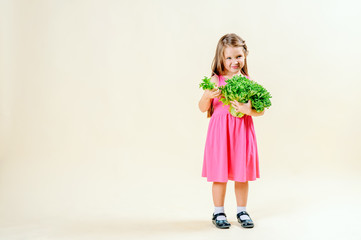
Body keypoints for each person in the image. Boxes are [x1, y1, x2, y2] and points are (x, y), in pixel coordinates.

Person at [198, 33, 265, 229]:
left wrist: (248, 110)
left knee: (241, 174)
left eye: (239, 57)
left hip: (241, 133)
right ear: (221, 58)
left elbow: (259, 111)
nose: (234, 61)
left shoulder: (247, 80)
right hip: (220, 134)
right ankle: (218, 211)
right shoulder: (214, 80)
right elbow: (202, 108)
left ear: (245, 56)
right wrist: (207, 95)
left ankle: (242, 210)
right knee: (220, 174)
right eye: (229, 57)